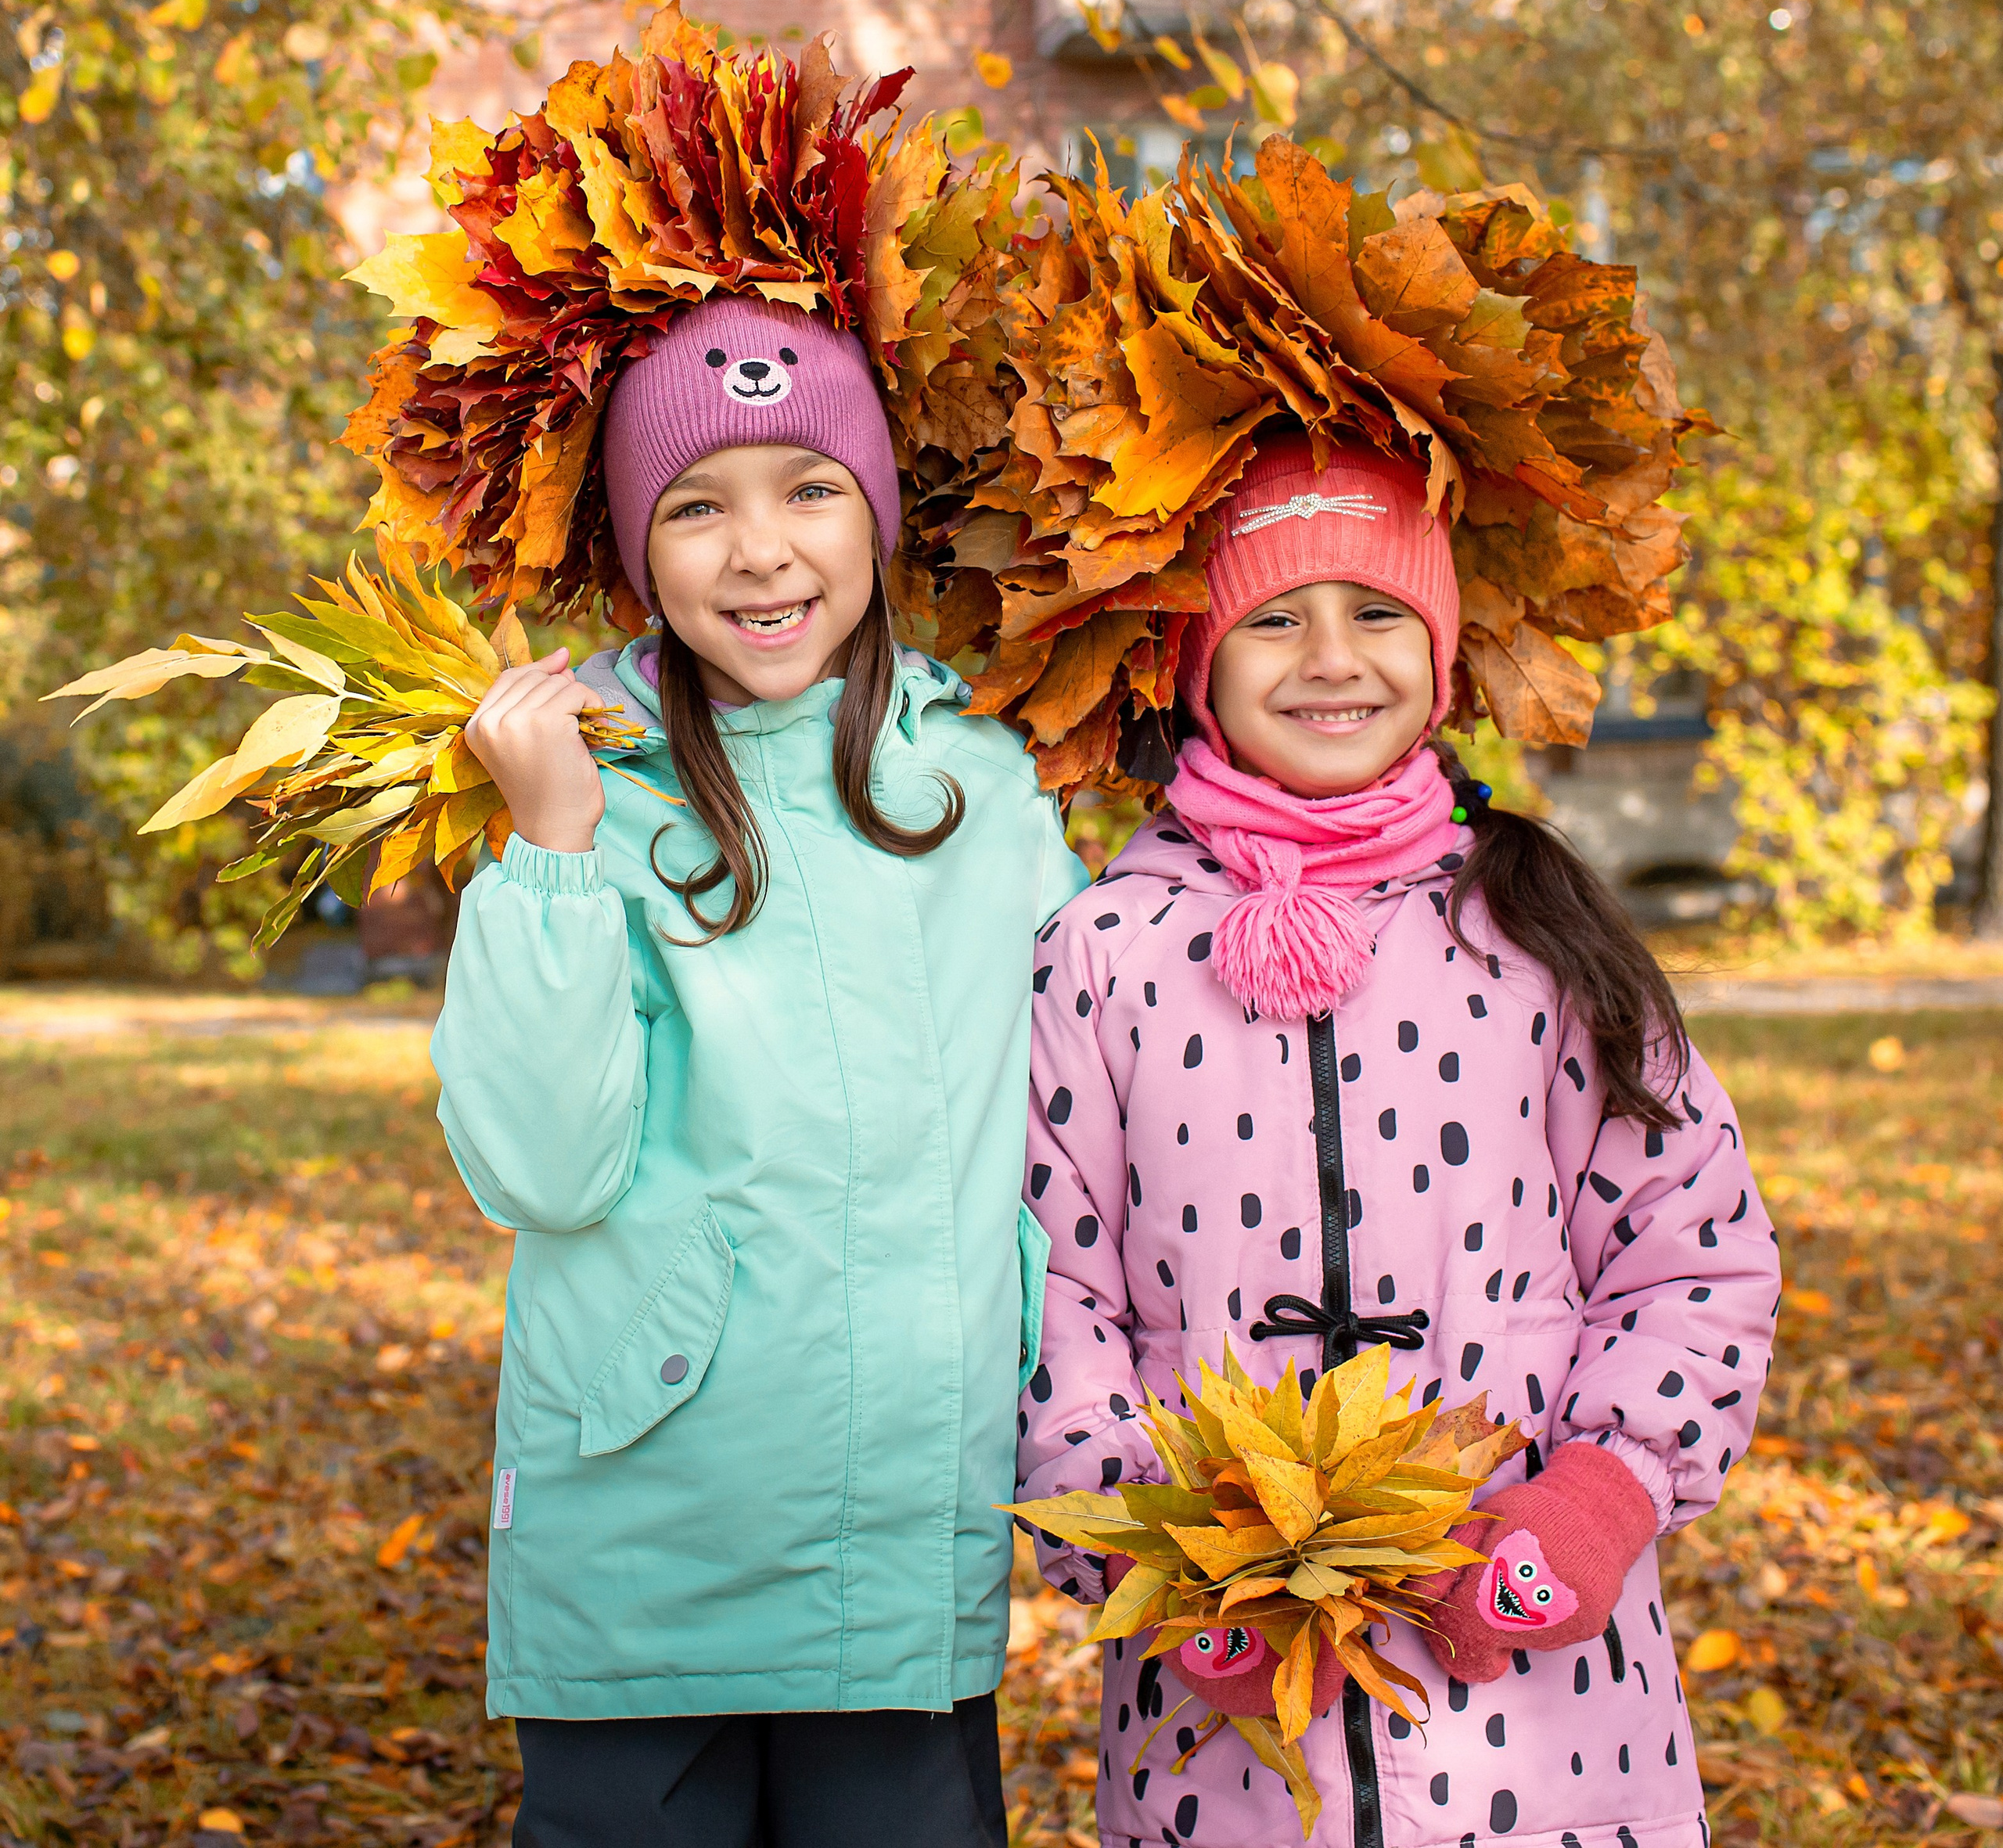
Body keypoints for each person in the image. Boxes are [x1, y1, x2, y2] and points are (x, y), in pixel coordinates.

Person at [1016, 431, 1779, 1848]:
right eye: (1273, 618)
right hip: (1225, 1718)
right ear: (1197, 660)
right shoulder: (1102, 952)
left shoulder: (1533, 934)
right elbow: (1048, 1294)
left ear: (1437, 656)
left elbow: (1693, 1251)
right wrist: (1162, 1556)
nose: (1331, 657)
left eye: (1376, 613)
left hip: (1543, 1715)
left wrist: (1602, 1499)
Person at [432, 297, 1085, 1848]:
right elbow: (537, 1166)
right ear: (635, 547)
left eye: (808, 491)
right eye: (697, 508)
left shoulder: (987, 784)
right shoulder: (582, 788)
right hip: (650, 1527)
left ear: (875, 513)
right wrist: (551, 853)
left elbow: (1081, 1108)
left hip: (898, 1534)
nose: (761, 552)